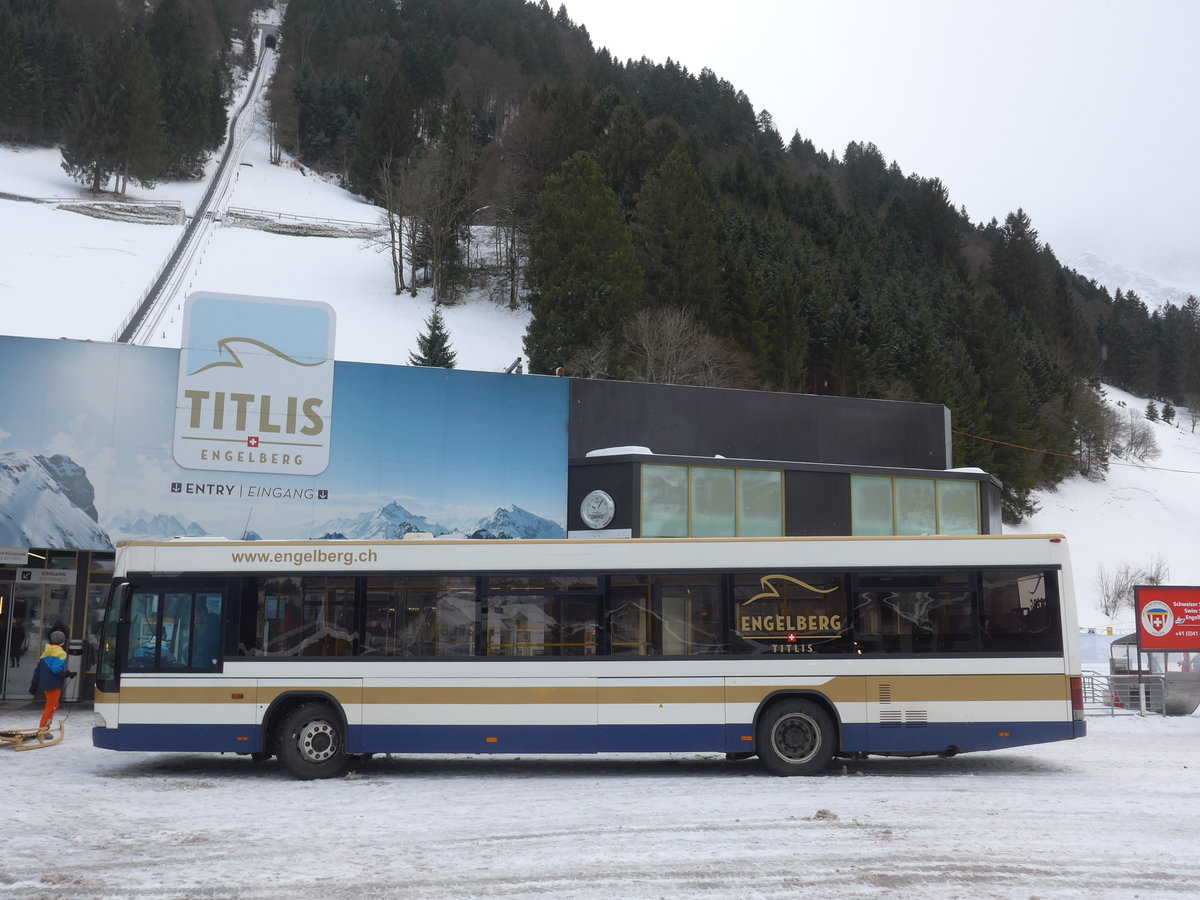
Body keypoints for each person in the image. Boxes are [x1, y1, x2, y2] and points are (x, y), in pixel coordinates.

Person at [29, 630, 75, 732]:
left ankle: (45, 728)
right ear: (63, 642)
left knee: (52, 705)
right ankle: (43, 730)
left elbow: (38, 669)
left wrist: (34, 683)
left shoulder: (46, 652)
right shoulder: (61, 653)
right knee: (51, 707)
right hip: (54, 684)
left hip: (44, 684)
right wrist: (68, 674)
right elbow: (56, 670)